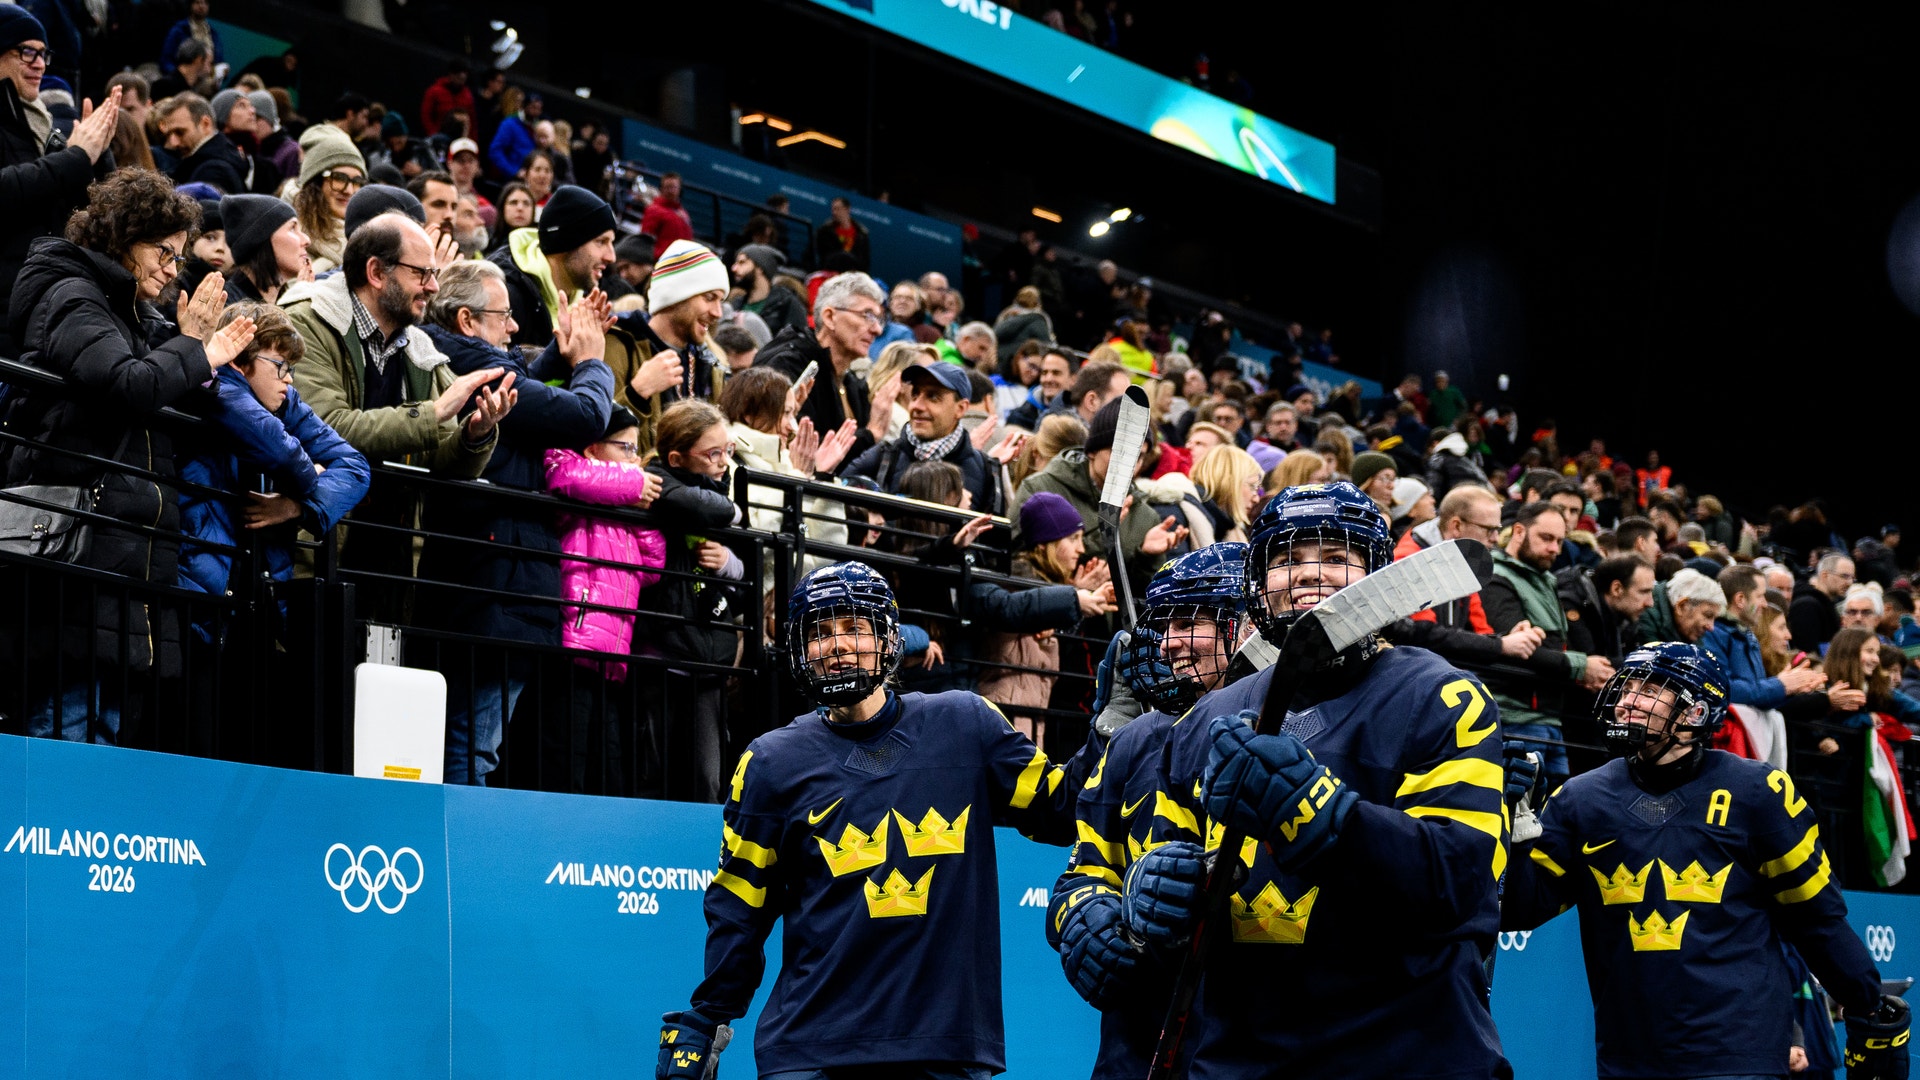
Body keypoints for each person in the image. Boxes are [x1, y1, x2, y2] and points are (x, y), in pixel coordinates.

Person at [1101, 481, 1511, 1078]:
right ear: (1258, 584)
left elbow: (1462, 883)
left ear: (1377, 575)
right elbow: (1175, 868)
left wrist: (1321, 815)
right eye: (1287, 559)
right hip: (1242, 1061)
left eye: (1336, 557)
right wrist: (1158, 891)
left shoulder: (1443, 696)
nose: (1309, 573)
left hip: (1406, 1054)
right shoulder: (1205, 718)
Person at [656, 560, 1098, 1080]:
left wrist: (1112, 728)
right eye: (819, 633)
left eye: (854, 627)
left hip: (943, 1049)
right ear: (800, 651)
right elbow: (739, 908)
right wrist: (708, 1016)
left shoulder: (966, 723)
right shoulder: (770, 763)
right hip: (810, 1052)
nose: (837, 645)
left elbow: (1064, 809)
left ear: (889, 638)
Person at [1501, 641, 1909, 1080]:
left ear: (1695, 712)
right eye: (1627, 686)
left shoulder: (1758, 792)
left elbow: (1817, 918)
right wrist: (1514, 833)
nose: (1628, 700)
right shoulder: (1580, 798)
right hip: (1628, 1056)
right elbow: (1519, 911)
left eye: (1650, 689)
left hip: (1738, 1052)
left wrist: (1867, 1001)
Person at [2, 169, 254, 741]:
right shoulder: (72, 294)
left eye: (178, 256)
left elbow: (170, 388)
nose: (171, 269)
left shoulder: (134, 312)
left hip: (122, 555)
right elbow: (130, 384)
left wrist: (195, 350)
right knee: (68, 733)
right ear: (122, 237)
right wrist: (196, 348)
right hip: (78, 553)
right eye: (163, 252)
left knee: (104, 737)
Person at [416, 260, 614, 785]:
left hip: (489, 584)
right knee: (473, 745)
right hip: (496, 585)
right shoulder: (479, 371)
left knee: (465, 739)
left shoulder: (458, 358)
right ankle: (461, 839)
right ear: (466, 320)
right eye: (503, 316)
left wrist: (560, 352)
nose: (515, 326)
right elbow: (586, 417)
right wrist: (593, 362)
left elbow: (526, 393)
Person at [280, 213, 512, 619]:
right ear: (376, 272)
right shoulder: (306, 322)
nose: (433, 287)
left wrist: (474, 435)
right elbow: (330, 425)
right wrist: (434, 413)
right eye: (421, 273)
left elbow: (440, 461)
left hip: (392, 564)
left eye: (434, 274)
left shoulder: (420, 351)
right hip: (316, 550)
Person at [175, 302, 369, 659]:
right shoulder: (217, 385)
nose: (289, 379)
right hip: (199, 595)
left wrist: (296, 507)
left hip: (255, 593)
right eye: (280, 366)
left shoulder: (283, 401)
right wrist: (314, 475)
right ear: (239, 359)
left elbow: (356, 467)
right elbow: (285, 455)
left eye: (290, 368)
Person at [543, 404, 664, 795]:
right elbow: (564, 475)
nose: (634, 461)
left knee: (607, 768)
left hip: (612, 654)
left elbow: (653, 565)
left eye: (636, 451)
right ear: (592, 448)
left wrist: (635, 505)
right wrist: (631, 486)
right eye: (625, 448)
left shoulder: (621, 506)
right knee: (567, 760)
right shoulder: (575, 480)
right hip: (574, 645)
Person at [634, 399, 747, 802]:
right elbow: (695, 506)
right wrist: (732, 511)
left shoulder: (719, 493)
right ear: (677, 458)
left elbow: (743, 579)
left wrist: (727, 562)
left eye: (727, 451)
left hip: (706, 660)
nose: (723, 463)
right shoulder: (656, 483)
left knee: (707, 778)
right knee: (655, 773)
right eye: (712, 454)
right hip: (660, 655)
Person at [0, 7, 117, 350]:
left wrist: (98, 154)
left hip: (35, 310)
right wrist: (76, 157)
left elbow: (71, 210)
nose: (40, 64)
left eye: (44, 54)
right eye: (27, 52)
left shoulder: (37, 123)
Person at [1482, 501, 1616, 789]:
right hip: (1514, 716)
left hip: (1550, 718)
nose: (1555, 548)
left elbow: (1556, 647)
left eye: (1560, 541)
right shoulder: (1496, 576)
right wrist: (1582, 666)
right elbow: (1517, 650)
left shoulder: (1547, 579)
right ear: (1519, 531)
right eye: (1546, 538)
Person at [1013, 395, 1189, 603]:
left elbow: (1142, 598)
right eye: (1120, 451)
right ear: (1093, 451)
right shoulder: (1041, 489)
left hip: (1109, 622)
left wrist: (1147, 557)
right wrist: (1072, 593)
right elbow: (1017, 562)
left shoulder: (1144, 515)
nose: (1129, 464)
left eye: (1138, 456)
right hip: (1048, 614)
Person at [978, 491, 1117, 742]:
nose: (1081, 549)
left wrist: (1076, 592)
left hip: (1032, 717)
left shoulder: (1045, 585)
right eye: (1073, 539)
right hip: (1012, 717)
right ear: (1045, 543)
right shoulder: (1020, 586)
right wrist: (1074, 600)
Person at [754, 270, 899, 470]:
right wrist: (871, 434)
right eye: (867, 315)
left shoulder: (852, 383)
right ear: (830, 317)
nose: (877, 330)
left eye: (879, 319)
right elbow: (797, 446)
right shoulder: (786, 365)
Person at [843, 361, 1002, 514]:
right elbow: (840, 501)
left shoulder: (985, 471)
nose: (917, 406)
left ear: (961, 408)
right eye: (915, 394)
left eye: (933, 397)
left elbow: (993, 529)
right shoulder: (883, 457)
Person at [488, 184, 617, 347]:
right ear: (566, 242)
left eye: (611, 243)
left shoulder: (583, 304)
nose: (611, 257)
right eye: (601, 242)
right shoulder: (507, 299)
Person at [288, 126, 365, 274]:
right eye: (339, 178)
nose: (349, 190)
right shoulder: (290, 237)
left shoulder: (370, 238)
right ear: (315, 183)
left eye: (357, 181)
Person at [218, 193, 308, 303]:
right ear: (261, 239)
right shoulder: (226, 305)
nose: (307, 240)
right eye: (292, 228)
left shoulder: (282, 301)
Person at [156, 92, 246, 195]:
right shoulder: (212, 162)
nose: (173, 142)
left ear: (205, 124)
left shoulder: (212, 172)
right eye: (168, 135)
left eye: (180, 132)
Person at [728, 242, 807, 338]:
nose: (734, 268)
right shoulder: (735, 304)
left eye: (742, 262)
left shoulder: (787, 304)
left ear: (760, 268)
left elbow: (797, 341)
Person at [1634, 566, 1726, 648]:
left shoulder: (1687, 631)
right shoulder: (1644, 620)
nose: (1711, 627)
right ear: (1681, 606)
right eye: (1708, 615)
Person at [1188, 444, 1261, 543]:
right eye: (1252, 486)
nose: (1256, 499)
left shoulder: (1229, 525)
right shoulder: (1183, 518)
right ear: (1230, 483)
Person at [639, 170, 693, 259]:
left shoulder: (682, 212)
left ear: (680, 189)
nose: (670, 191)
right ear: (661, 188)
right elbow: (645, 239)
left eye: (673, 187)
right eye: (667, 187)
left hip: (680, 259)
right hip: (662, 259)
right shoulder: (654, 210)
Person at [812, 194, 870, 269]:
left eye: (838, 209)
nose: (834, 213)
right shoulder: (825, 230)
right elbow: (822, 257)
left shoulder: (861, 234)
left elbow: (864, 262)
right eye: (833, 209)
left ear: (847, 209)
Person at [419, 58, 472, 137]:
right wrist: (433, 134)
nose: (461, 79)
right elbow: (425, 115)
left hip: (459, 139)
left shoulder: (467, 95)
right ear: (451, 74)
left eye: (463, 78)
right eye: (458, 76)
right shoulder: (434, 91)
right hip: (438, 136)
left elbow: (472, 120)